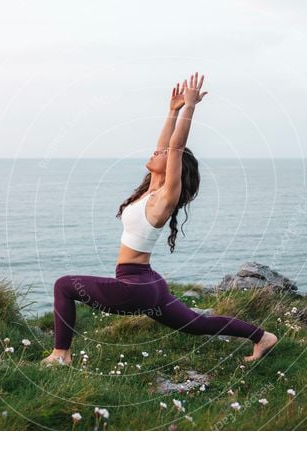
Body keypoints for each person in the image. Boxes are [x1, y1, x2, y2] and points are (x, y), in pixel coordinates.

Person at [41, 72, 278, 366]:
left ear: (172, 167)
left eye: (163, 153)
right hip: (149, 283)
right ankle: (263, 337)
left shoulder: (164, 198)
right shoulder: (150, 191)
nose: (158, 151)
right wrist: (172, 110)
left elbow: (175, 147)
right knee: (195, 324)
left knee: (64, 285)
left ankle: (61, 353)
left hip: (136, 288)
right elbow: (167, 144)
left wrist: (190, 107)